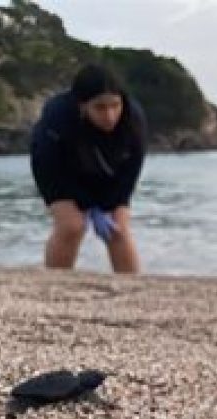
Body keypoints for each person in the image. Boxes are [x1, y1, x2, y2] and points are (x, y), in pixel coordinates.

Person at [30, 64, 147, 273]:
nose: (110, 116)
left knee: (117, 228)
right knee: (72, 226)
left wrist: (110, 204)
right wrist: (86, 204)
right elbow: (49, 168)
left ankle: (132, 289)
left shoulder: (133, 118)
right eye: (100, 108)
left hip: (106, 172)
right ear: (82, 105)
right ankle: (56, 283)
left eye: (115, 105)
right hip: (61, 171)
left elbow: (131, 170)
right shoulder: (58, 116)